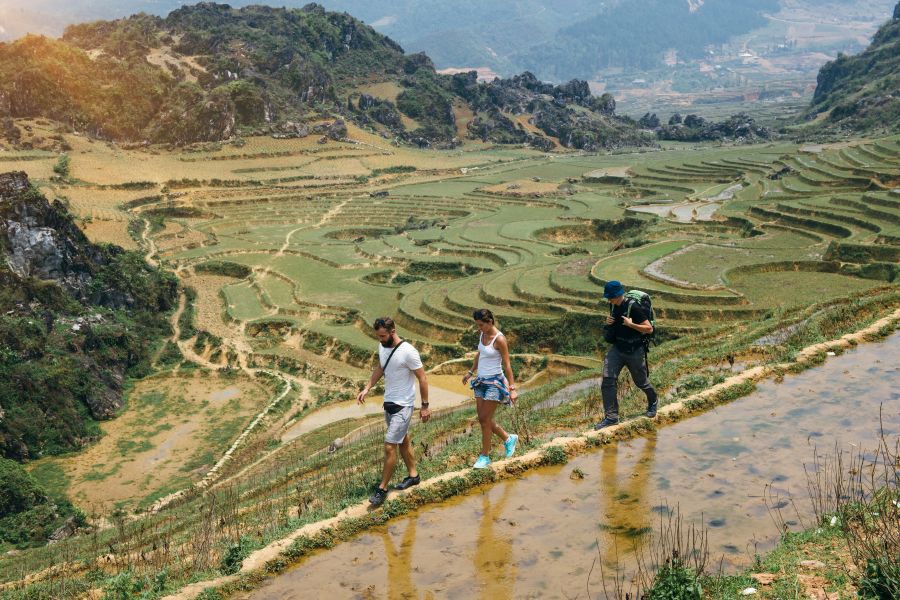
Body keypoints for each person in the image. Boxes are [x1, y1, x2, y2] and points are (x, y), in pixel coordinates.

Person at [357, 317, 431, 507]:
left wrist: (424, 405)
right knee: (403, 440)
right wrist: (367, 388)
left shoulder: (408, 352)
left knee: (390, 446)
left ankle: (382, 489)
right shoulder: (383, 346)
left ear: (392, 331)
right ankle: (414, 476)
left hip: (403, 406)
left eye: (383, 336)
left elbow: (422, 378)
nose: (380, 339)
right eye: (378, 336)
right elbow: (381, 368)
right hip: (389, 404)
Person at [594, 281, 658, 430]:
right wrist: (608, 322)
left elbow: (648, 329)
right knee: (608, 379)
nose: (609, 300)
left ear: (618, 295)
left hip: (634, 350)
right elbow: (613, 327)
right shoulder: (613, 305)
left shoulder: (633, 307)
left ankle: (653, 400)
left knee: (641, 382)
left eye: (611, 297)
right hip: (617, 348)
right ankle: (611, 417)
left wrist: (631, 325)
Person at [462, 309, 519, 469]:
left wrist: (512, 388)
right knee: (483, 419)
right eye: (477, 325)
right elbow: (480, 354)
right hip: (480, 381)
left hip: (494, 382)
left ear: (490, 322)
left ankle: (484, 456)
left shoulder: (500, 339)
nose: (479, 328)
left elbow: (507, 364)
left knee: (485, 420)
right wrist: (470, 372)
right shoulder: (482, 334)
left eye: (481, 325)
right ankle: (508, 439)